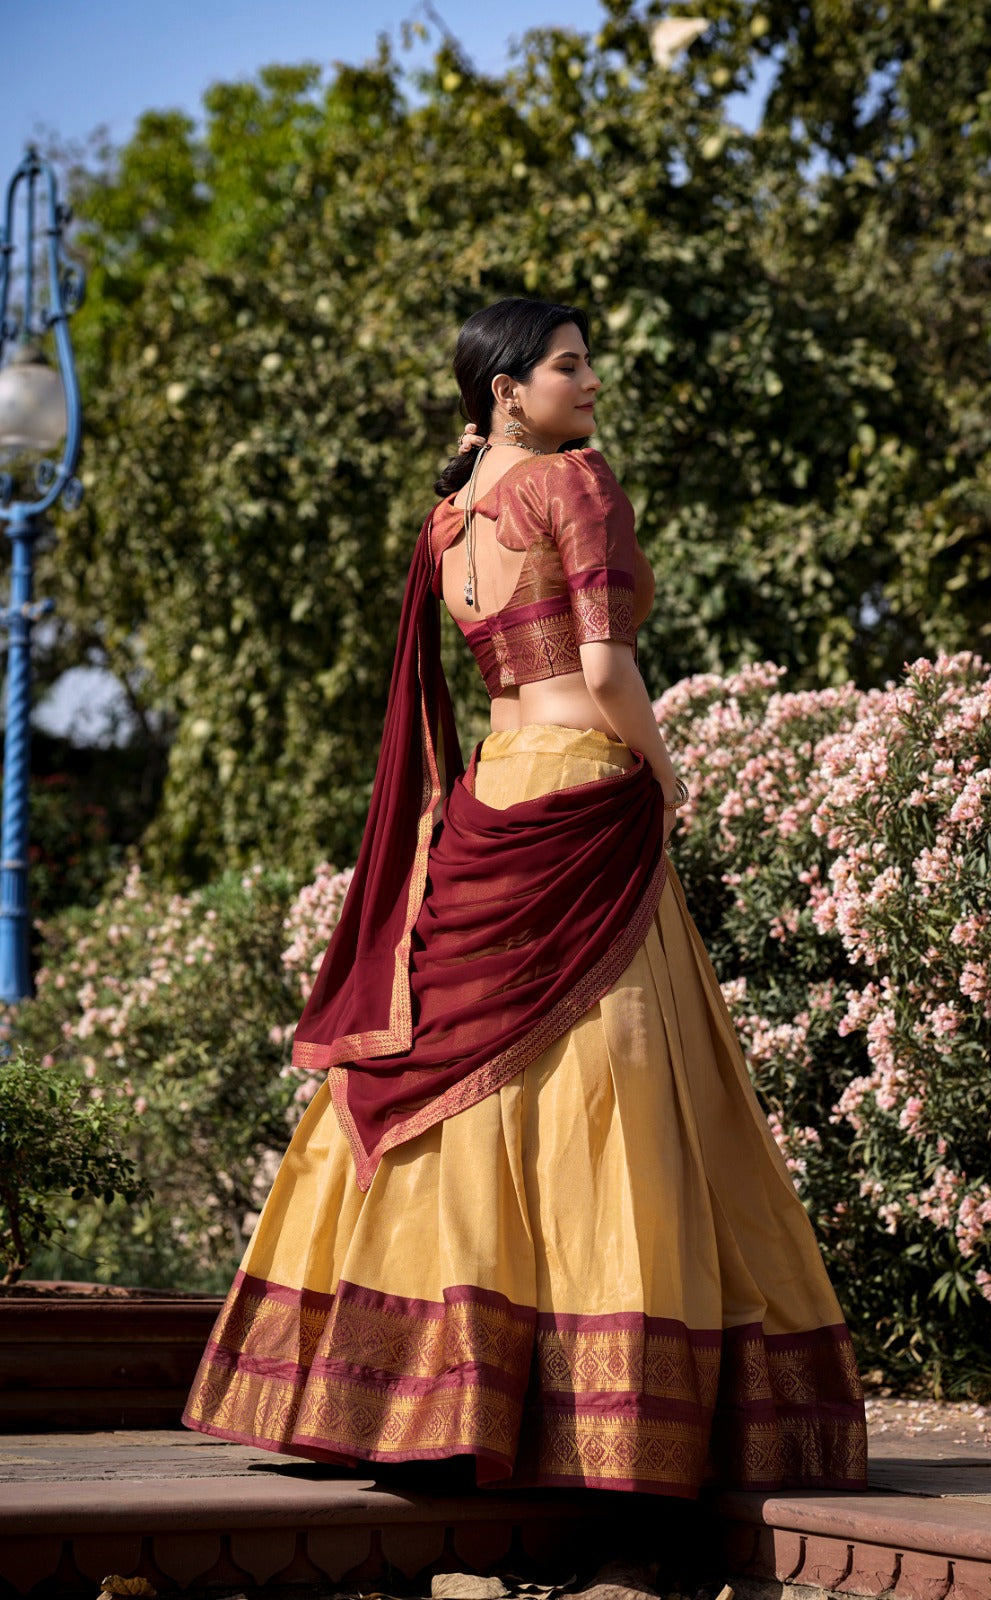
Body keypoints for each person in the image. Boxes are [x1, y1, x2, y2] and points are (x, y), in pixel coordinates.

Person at [183, 297, 868, 1500]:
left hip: (495, 796)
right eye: (569, 366)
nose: (589, 384)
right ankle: (603, 1411)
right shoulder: (574, 485)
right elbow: (603, 670)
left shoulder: (445, 523)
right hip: (585, 793)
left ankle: (417, 1389)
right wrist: (666, 772)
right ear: (507, 389)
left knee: (454, 1081)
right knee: (622, 1085)